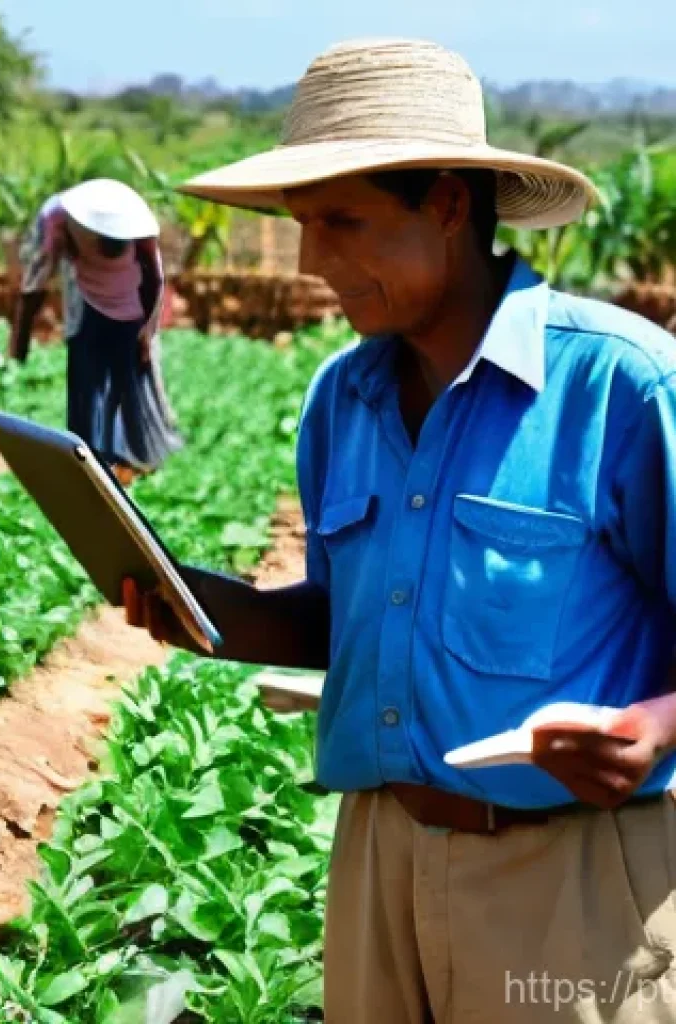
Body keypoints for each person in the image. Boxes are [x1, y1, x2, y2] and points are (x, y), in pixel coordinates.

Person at [122, 37, 676, 1024]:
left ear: (449, 206)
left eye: (342, 222)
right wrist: (207, 612)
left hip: (573, 880)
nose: (310, 260)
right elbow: (350, 618)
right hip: (377, 859)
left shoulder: (621, 387)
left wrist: (656, 728)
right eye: (302, 224)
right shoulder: (345, 397)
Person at [9, 178, 182, 485]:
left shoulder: (140, 233)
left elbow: (155, 281)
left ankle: (132, 462)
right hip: (89, 306)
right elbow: (39, 274)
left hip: (131, 313)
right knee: (87, 391)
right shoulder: (58, 218)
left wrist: (148, 332)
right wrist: (20, 341)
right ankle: (89, 465)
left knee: (130, 390)